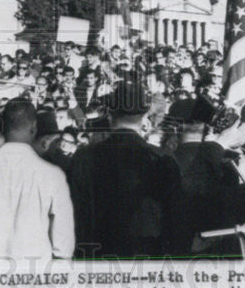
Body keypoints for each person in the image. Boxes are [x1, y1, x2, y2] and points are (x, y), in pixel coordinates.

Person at [68, 81, 184, 258]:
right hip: (146, 257)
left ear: (109, 115)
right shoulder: (163, 159)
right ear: (144, 117)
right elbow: (174, 221)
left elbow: (76, 213)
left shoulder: (84, 157)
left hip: (96, 255)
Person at [0, 98, 75, 260]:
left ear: (4, 128)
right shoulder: (53, 175)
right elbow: (63, 247)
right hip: (33, 276)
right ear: (34, 129)